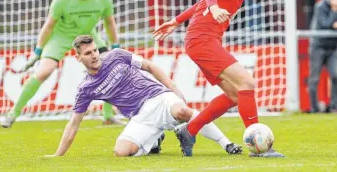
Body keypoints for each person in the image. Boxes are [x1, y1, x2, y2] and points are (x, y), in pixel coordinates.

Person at [153, 0, 284, 157]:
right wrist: (214, 8)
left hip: (202, 41)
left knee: (234, 94)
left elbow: (202, 2)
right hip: (202, 41)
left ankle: (190, 130)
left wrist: (177, 21)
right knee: (247, 83)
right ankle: (258, 145)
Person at [44, 35, 242, 157]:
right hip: (139, 117)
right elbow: (74, 124)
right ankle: (155, 138)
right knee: (120, 152)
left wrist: (172, 86)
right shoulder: (85, 88)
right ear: (78, 57)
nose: (94, 55)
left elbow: (149, 66)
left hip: (158, 96)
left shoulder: (117, 55)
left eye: (95, 50)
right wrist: (57, 155)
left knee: (182, 111)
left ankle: (227, 144)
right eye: (88, 53)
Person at [0, 0, 124, 128]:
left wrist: (115, 47)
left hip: (87, 35)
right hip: (61, 37)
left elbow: (110, 23)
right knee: (44, 72)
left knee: (109, 66)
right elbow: (49, 26)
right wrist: (37, 51)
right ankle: (12, 114)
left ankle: (108, 116)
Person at [308, 0, 337, 113]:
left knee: (336, 75)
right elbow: (325, 24)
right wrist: (334, 10)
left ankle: (333, 107)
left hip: (333, 47)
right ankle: (314, 108)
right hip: (318, 46)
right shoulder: (320, 6)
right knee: (314, 79)